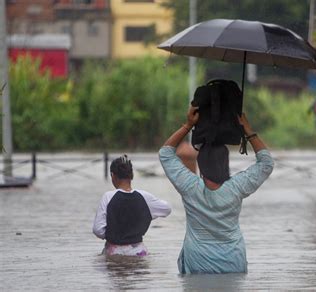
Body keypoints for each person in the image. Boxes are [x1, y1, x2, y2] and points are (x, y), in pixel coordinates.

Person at [159, 106, 274, 274]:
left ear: (201, 165)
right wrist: (248, 130)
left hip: (197, 263)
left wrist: (188, 125)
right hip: (233, 263)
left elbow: (165, 154)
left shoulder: (190, 187)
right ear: (225, 163)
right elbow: (266, 164)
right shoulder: (237, 187)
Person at [92, 154, 172, 256]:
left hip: (113, 252)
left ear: (113, 176)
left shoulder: (108, 197)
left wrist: (113, 234)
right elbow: (167, 209)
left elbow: (98, 230)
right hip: (138, 251)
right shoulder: (144, 197)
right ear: (131, 176)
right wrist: (147, 215)